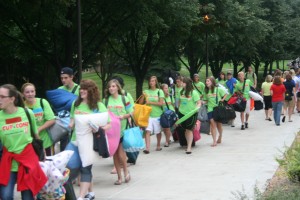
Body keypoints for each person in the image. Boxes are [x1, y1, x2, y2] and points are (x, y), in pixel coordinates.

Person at [0, 84, 47, 200]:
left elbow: (36, 135)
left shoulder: (27, 113)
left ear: (12, 99)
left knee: (28, 197)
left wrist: (43, 153)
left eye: (2, 97)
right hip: (8, 161)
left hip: (28, 161)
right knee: (5, 196)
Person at [69, 79, 111, 200]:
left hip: (90, 142)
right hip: (75, 140)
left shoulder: (99, 106)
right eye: (81, 88)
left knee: (85, 168)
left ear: (91, 91)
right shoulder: (75, 104)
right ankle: (90, 192)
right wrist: (70, 124)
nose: (81, 90)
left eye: (85, 88)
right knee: (70, 166)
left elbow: (109, 124)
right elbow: (72, 119)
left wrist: (98, 128)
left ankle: (81, 197)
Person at [104, 79, 133, 185]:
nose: (111, 88)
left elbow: (131, 113)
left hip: (122, 130)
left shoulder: (124, 99)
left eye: (113, 86)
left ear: (118, 87)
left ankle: (126, 171)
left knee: (120, 154)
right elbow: (103, 114)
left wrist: (123, 116)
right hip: (111, 132)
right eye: (109, 87)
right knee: (115, 155)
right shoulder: (105, 101)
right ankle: (119, 177)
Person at [21, 83, 56, 156]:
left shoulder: (42, 102)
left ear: (35, 92)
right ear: (23, 94)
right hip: (29, 143)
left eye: (32, 91)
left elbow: (52, 120)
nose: (30, 94)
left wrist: (38, 129)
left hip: (45, 141)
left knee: (48, 164)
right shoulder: (21, 107)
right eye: (27, 92)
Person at [139, 76, 164, 154]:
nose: (151, 82)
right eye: (150, 81)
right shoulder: (146, 91)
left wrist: (150, 103)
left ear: (156, 82)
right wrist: (143, 96)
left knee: (158, 131)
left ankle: (158, 145)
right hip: (148, 114)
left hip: (157, 114)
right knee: (148, 131)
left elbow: (161, 103)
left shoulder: (160, 91)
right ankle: (147, 148)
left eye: (153, 81)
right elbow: (140, 103)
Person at [58, 67, 80, 152]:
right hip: (63, 121)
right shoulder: (59, 89)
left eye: (66, 78)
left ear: (72, 77)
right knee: (64, 145)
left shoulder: (79, 89)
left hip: (76, 121)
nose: (63, 80)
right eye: (62, 78)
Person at [178, 77, 201, 154]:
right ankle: (188, 144)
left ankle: (189, 147)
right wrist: (178, 111)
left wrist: (196, 108)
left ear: (186, 83)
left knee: (189, 129)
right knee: (186, 129)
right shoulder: (180, 92)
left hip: (191, 114)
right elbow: (179, 102)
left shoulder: (194, 93)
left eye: (182, 82)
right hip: (182, 113)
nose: (181, 83)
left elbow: (199, 103)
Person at [203, 77, 227, 147]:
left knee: (219, 125)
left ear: (212, 82)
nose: (206, 82)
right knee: (213, 124)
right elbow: (206, 100)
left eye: (208, 81)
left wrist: (222, 99)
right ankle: (214, 141)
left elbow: (226, 93)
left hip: (218, 109)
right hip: (210, 109)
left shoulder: (218, 89)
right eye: (206, 81)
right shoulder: (206, 91)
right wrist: (202, 102)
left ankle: (220, 136)